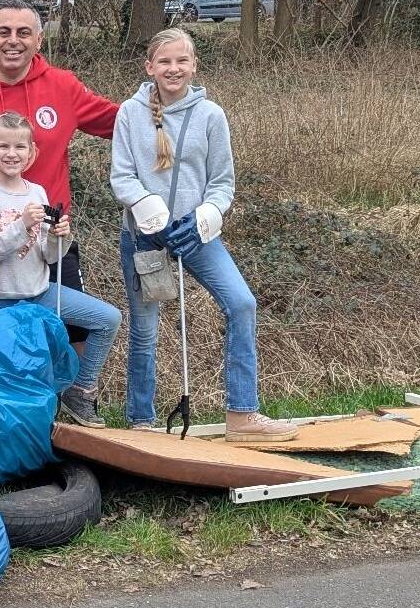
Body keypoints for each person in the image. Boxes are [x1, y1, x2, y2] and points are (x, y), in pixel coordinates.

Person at [109, 28, 295, 440]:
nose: (173, 69)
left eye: (182, 61)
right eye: (165, 62)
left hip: (196, 235)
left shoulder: (211, 114)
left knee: (242, 303)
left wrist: (204, 218)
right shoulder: (129, 113)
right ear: (150, 67)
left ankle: (242, 415)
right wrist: (148, 209)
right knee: (145, 329)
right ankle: (142, 420)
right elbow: (122, 177)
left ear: (194, 65)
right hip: (144, 238)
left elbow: (222, 182)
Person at [0, 3, 120, 290]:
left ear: (39, 40)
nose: (13, 40)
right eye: (4, 32)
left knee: (70, 330)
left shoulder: (63, 86)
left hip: (50, 236)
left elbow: (119, 122)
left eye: (23, 32)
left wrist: (161, 105)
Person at [0, 112, 122, 426]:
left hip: (40, 294)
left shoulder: (37, 192)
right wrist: (20, 225)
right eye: (3, 146)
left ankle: (79, 391)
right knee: (16, 373)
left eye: (19, 147)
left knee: (108, 318)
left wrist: (60, 238)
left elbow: (49, 256)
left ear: (32, 153)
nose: (11, 154)